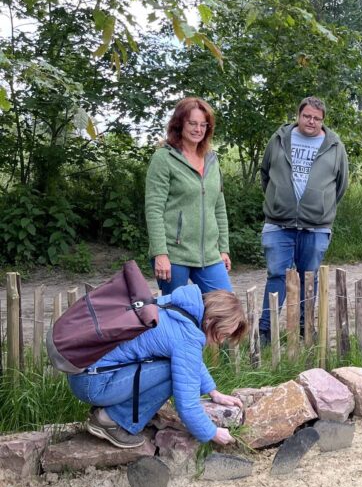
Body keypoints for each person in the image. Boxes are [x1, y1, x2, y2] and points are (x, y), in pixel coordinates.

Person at [68, 287, 247, 449]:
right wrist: (212, 433)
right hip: (93, 384)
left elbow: (189, 362)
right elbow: (188, 406)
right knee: (172, 371)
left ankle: (117, 410)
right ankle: (112, 420)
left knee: (176, 365)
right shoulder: (187, 338)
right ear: (209, 320)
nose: (221, 341)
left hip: (83, 372)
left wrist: (213, 392)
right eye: (223, 334)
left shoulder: (176, 306)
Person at [258, 96, 349, 347]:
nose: (311, 121)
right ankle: (265, 330)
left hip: (316, 227)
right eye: (307, 116)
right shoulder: (279, 140)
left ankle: (303, 330)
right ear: (298, 115)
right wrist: (278, 199)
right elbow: (266, 174)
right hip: (278, 224)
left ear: (323, 121)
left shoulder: (334, 146)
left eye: (317, 118)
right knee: (276, 275)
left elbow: (341, 184)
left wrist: (319, 205)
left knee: (309, 278)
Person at [146, 97, 233, 295]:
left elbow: (218, 206)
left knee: (226, 309)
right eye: (192, 123)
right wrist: (160, 253)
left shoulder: (212, 159)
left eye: (203, 124)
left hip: (209, 255)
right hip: (174, 254)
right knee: (177, 313)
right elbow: (154, 209)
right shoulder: (163, 159)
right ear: (179, 124)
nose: (198, 129)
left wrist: (223, 249)